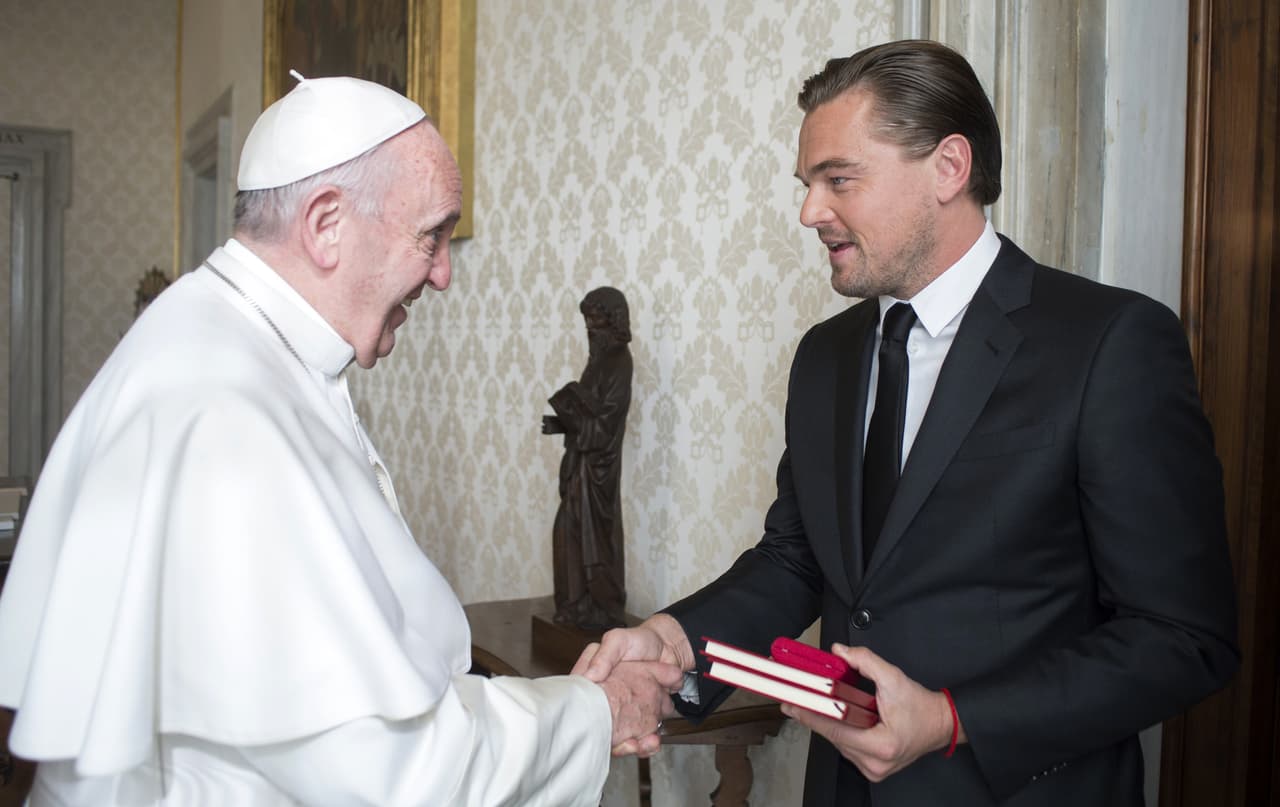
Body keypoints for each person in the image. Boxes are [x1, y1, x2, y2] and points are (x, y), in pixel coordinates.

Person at [576, 39, 1239, 807]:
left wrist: (950, 720)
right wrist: (673, 639)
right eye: (807, 183)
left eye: (839, 180)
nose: (809, 211)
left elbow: (1184, 637)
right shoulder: (825, 355)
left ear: (948, 169)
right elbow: (797, 560)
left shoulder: (1110, 343)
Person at [0, 74, 680, 806]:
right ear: (326, 224)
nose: (445, 273)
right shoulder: (225, 414)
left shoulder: (217, 341)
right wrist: (596, 710)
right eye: (433, 234)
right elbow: (395, 770)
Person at [542, 287, 633, 631]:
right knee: (567, 534)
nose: (591, 334)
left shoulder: (619, 362)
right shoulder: (597, 361)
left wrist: (574, 415)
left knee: (598, 541)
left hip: (600, 472)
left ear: (614, 324)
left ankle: (603, 609)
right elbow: (587, 414)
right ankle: (574, 606)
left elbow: (605, 426)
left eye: (597, 326)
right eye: (587, 326)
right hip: (579, 468)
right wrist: (561, 422)